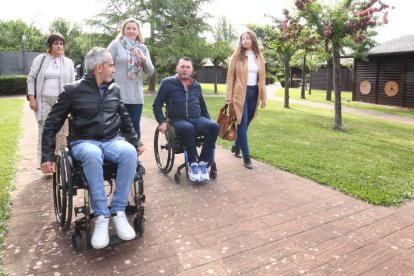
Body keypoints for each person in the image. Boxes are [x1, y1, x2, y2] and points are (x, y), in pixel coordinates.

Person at [41, 47, 145, 250]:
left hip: (112, 140)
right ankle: (101, 215)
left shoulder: (114, 89)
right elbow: (52, 123)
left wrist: (136, 141)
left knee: (129, 152)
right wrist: (47, 156)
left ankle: (118, 211)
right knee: (93, 153)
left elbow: (124, 118)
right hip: (84, 142)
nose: (114, 69)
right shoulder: (72, 91)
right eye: (111, 65)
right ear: (99, 67)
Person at [153, 57, 219, 182]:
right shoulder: (167, 83)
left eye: (188, 67)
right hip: (177, 120)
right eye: (182, 67)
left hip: (196, 119)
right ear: (177, 68)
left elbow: (203, 107)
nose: (185, 70)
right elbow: (156, 105)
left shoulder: (196, 86)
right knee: (188, 128)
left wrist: (208, 122)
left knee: (214, 127)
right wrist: (161, 121)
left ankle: (203, 163)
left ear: (192, 70)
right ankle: (193, 164)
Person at [27, 32, 75, 168]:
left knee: (62, 133)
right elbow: (31, 78)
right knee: (45, 132)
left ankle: (59, 164)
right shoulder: (41, 59)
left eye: (61, 43)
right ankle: (44, 163)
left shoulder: (69, 62)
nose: (59, 46)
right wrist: (32, 98)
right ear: (50, 45)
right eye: (56, 43)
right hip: (44, 102)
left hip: (62, 103)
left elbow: (73, 83)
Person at [107, 17, 154, 141]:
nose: (131, 31)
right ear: (123, 30)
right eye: (128, 28)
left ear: (138, 31)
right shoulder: (116, 44)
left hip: (135, 96)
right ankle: (117, 158)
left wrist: (143, 58)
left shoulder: (143, 48)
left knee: (133, 128)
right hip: (117, 95)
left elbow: (150, 72)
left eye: (134, 28)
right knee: (116, 127)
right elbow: (105, 64)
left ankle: (134, 157)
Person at [225, 30, 267, 169]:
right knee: (242, 125)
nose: (245, 41)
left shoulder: (259, 57)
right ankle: (246, 157)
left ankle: (236, 146)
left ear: (253, 40)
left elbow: (262, 79)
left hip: (253, 93)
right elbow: (230, 78)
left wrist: (263, 98)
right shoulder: (236, 57)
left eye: (248, 38)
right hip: (239, 94)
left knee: (246, 123)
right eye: (243, 39)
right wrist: (229, 98)